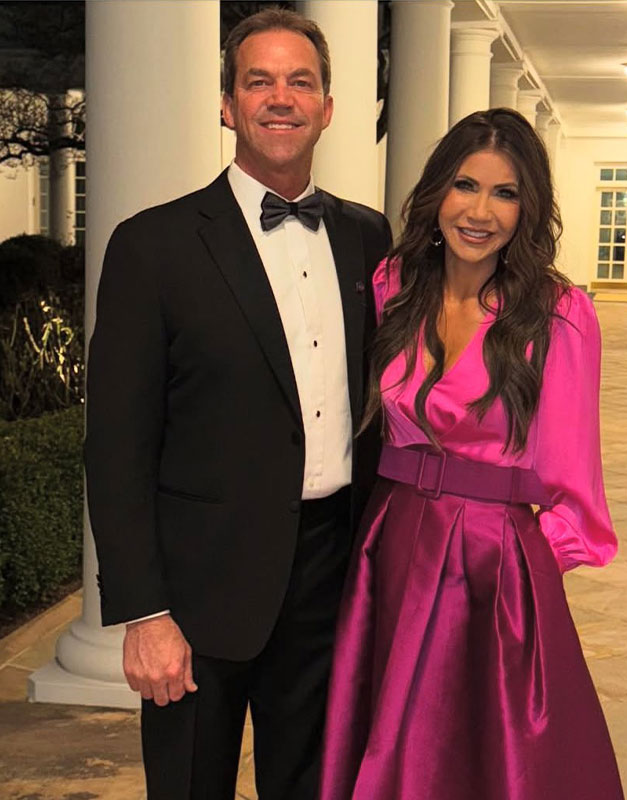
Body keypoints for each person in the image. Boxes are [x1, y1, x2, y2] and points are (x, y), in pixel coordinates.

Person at [84, 9, 391, 800]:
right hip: (197, 592)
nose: (281, 98)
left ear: (328, 106)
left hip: (329, 580)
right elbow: (116, 447)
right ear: (227, 104)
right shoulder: (152, 245)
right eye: (259, 81)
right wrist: (144, 612)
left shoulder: (368, 238)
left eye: (301, 82)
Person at [317, 108, 624, 799]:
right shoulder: (394, 285)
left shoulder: (558, 314)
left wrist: (519, 570)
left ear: (527, 209)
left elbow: (574, 483)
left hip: (494, 563)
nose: (480, 211)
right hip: (392, 541)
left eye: (504, 193)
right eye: (465, 185)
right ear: (437, 192)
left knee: (484, 756)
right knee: (392, 741)